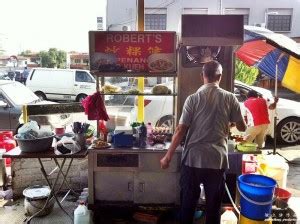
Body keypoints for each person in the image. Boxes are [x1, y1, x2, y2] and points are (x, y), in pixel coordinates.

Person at [160, 60, 246, 224]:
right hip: (216, 160)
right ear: (220, 76)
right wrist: (234, 123)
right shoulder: (230, 98)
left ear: (202, 76)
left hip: (193, 160)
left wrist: (168, 156)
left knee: (188, 205)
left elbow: (180, 130)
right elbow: (242, 127)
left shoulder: (193, 99)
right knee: (213, 208)